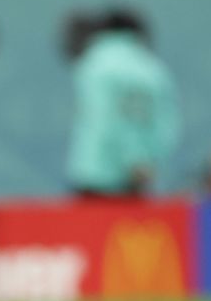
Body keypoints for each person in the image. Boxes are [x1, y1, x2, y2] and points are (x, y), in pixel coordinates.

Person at [66, 11, 179, 197]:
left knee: (92, 227)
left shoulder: (94, 64)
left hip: (96, 174)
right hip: (139, 177)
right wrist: (144, 160)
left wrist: (129, 159)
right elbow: (167, 123)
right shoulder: (154, 69)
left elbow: (103, 117)